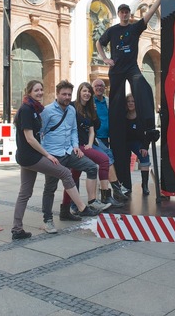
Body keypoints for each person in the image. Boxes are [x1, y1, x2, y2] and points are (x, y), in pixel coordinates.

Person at [11, 80, 98, 241]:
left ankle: (17, 229)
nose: (39, 93)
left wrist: (74, 146)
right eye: (36, 90)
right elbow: (32, 138)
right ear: (29, 92)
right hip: (34, 156)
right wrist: (48, 154)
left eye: (41, 90)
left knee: (25, 193)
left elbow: (69, 131)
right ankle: (80, 208)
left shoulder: (35, 109)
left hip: (39, 154)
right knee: (64, 174)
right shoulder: (28, 110)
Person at [96, 0, 161, 190]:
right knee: (116, 102)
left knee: (143, 87)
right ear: (118, 14)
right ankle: (115, 127)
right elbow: (99, 43)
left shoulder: (134, 29)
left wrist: (158, 0)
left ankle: (149, 124)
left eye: (126, 12)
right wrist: (106, 59)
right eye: (122, 12)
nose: (124, 14)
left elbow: (147, 15)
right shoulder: (112, 30)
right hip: (116, 70)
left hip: (132, 68)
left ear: (128, 14)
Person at [41, 80, 109, 234]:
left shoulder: (71, 110)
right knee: (50, 187)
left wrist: (76, 146)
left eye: (68, 94)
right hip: (53, 155)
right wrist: (45, 154)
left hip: (69, 151)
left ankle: (91, 202)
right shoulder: (47, 111)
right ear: (57, 94)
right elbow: (40, 133)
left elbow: (73, 131)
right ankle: (48, 220)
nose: (66, 97)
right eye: (63, 94)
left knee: (91, 167)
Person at [59, 82, 123, 217]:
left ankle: (71, 207)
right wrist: (74, 146)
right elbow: (70, 128)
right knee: (96, 164)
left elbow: (94, 128)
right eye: (84, 91)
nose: (87, 93)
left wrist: (89, 143)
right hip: (76, 146)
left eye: (89, 92)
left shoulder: (89, 109)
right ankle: (88, 202)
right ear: (79, 92)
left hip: (85, 145)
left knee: (74, 175)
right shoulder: (72, 107)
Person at [92, 78, 129, 201]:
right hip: (95, 137)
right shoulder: (90, 102)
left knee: (104, 163)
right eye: (96, 86)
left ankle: (105, 190)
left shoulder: (108, 101)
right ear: (93, 88)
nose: (99, 88)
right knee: (107, 159)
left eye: (101, 86)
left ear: (104, 88)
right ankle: (112, 190)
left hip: (107, 136)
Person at [125, 93, 152, 195]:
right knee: (123, 160)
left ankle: (144, 185)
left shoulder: (141, 116)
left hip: (138, 142)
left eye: (133, 101)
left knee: (145, 156)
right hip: (125, 142)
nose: (131, 103)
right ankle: (126, 186)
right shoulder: (123, 115)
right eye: (128, 101)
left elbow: (148, 133)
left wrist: (145, 147)